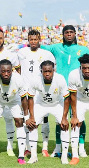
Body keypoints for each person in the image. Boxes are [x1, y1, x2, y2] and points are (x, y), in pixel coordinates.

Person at [41, 25, 89, 157]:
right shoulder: (56, 47)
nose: (69, 34)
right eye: (66, 32)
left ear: (75, 34)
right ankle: (58, 148)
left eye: (71, 32)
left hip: (77, 90)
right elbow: (40, 46)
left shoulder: (83, 49)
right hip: (60, 91)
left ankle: (81, 148)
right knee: (60, 118)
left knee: (79, 118)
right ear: (63, 34)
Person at [18, 29, 55, 157]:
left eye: (35, 39)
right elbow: (18, 68)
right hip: (25, 92)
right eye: (31, 39)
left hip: (40, 92)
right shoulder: (21, 52)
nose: (33, 42)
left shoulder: (46, 54)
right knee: (27, 119)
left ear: (39, 39)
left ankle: (44, 147)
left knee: (44, 119)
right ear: (28, 40)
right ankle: (28, 147)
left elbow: (52, 70)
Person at [26, 60, 70, 164]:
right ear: (41, 71)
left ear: (53, 70)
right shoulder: (35, 79)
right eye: (44, 71)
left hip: (57, 104)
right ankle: (33, 156)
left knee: (64, 126)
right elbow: (30, 98)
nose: (47, 73)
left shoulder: (60, 79)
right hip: (41, 104)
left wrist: (64, 118)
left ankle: (64, 156)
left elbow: (67, 98)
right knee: (32, 125)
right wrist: (31, 117)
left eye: (49, 71)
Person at [0, 59, 28, 164]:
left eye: (8, 71)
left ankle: (21, 156)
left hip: (14, 101)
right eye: (3, 71)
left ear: (12, 71)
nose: (6, 74)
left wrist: (26, 115)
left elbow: (24, 98)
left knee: (19, 121)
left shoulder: (18, 79)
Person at [0, 28, 21, 157]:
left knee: (10, 120)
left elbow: (18, 74)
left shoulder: (11, 55)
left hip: (10, 93)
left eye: (0, 38)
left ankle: (9, 146)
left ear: (3, 38)